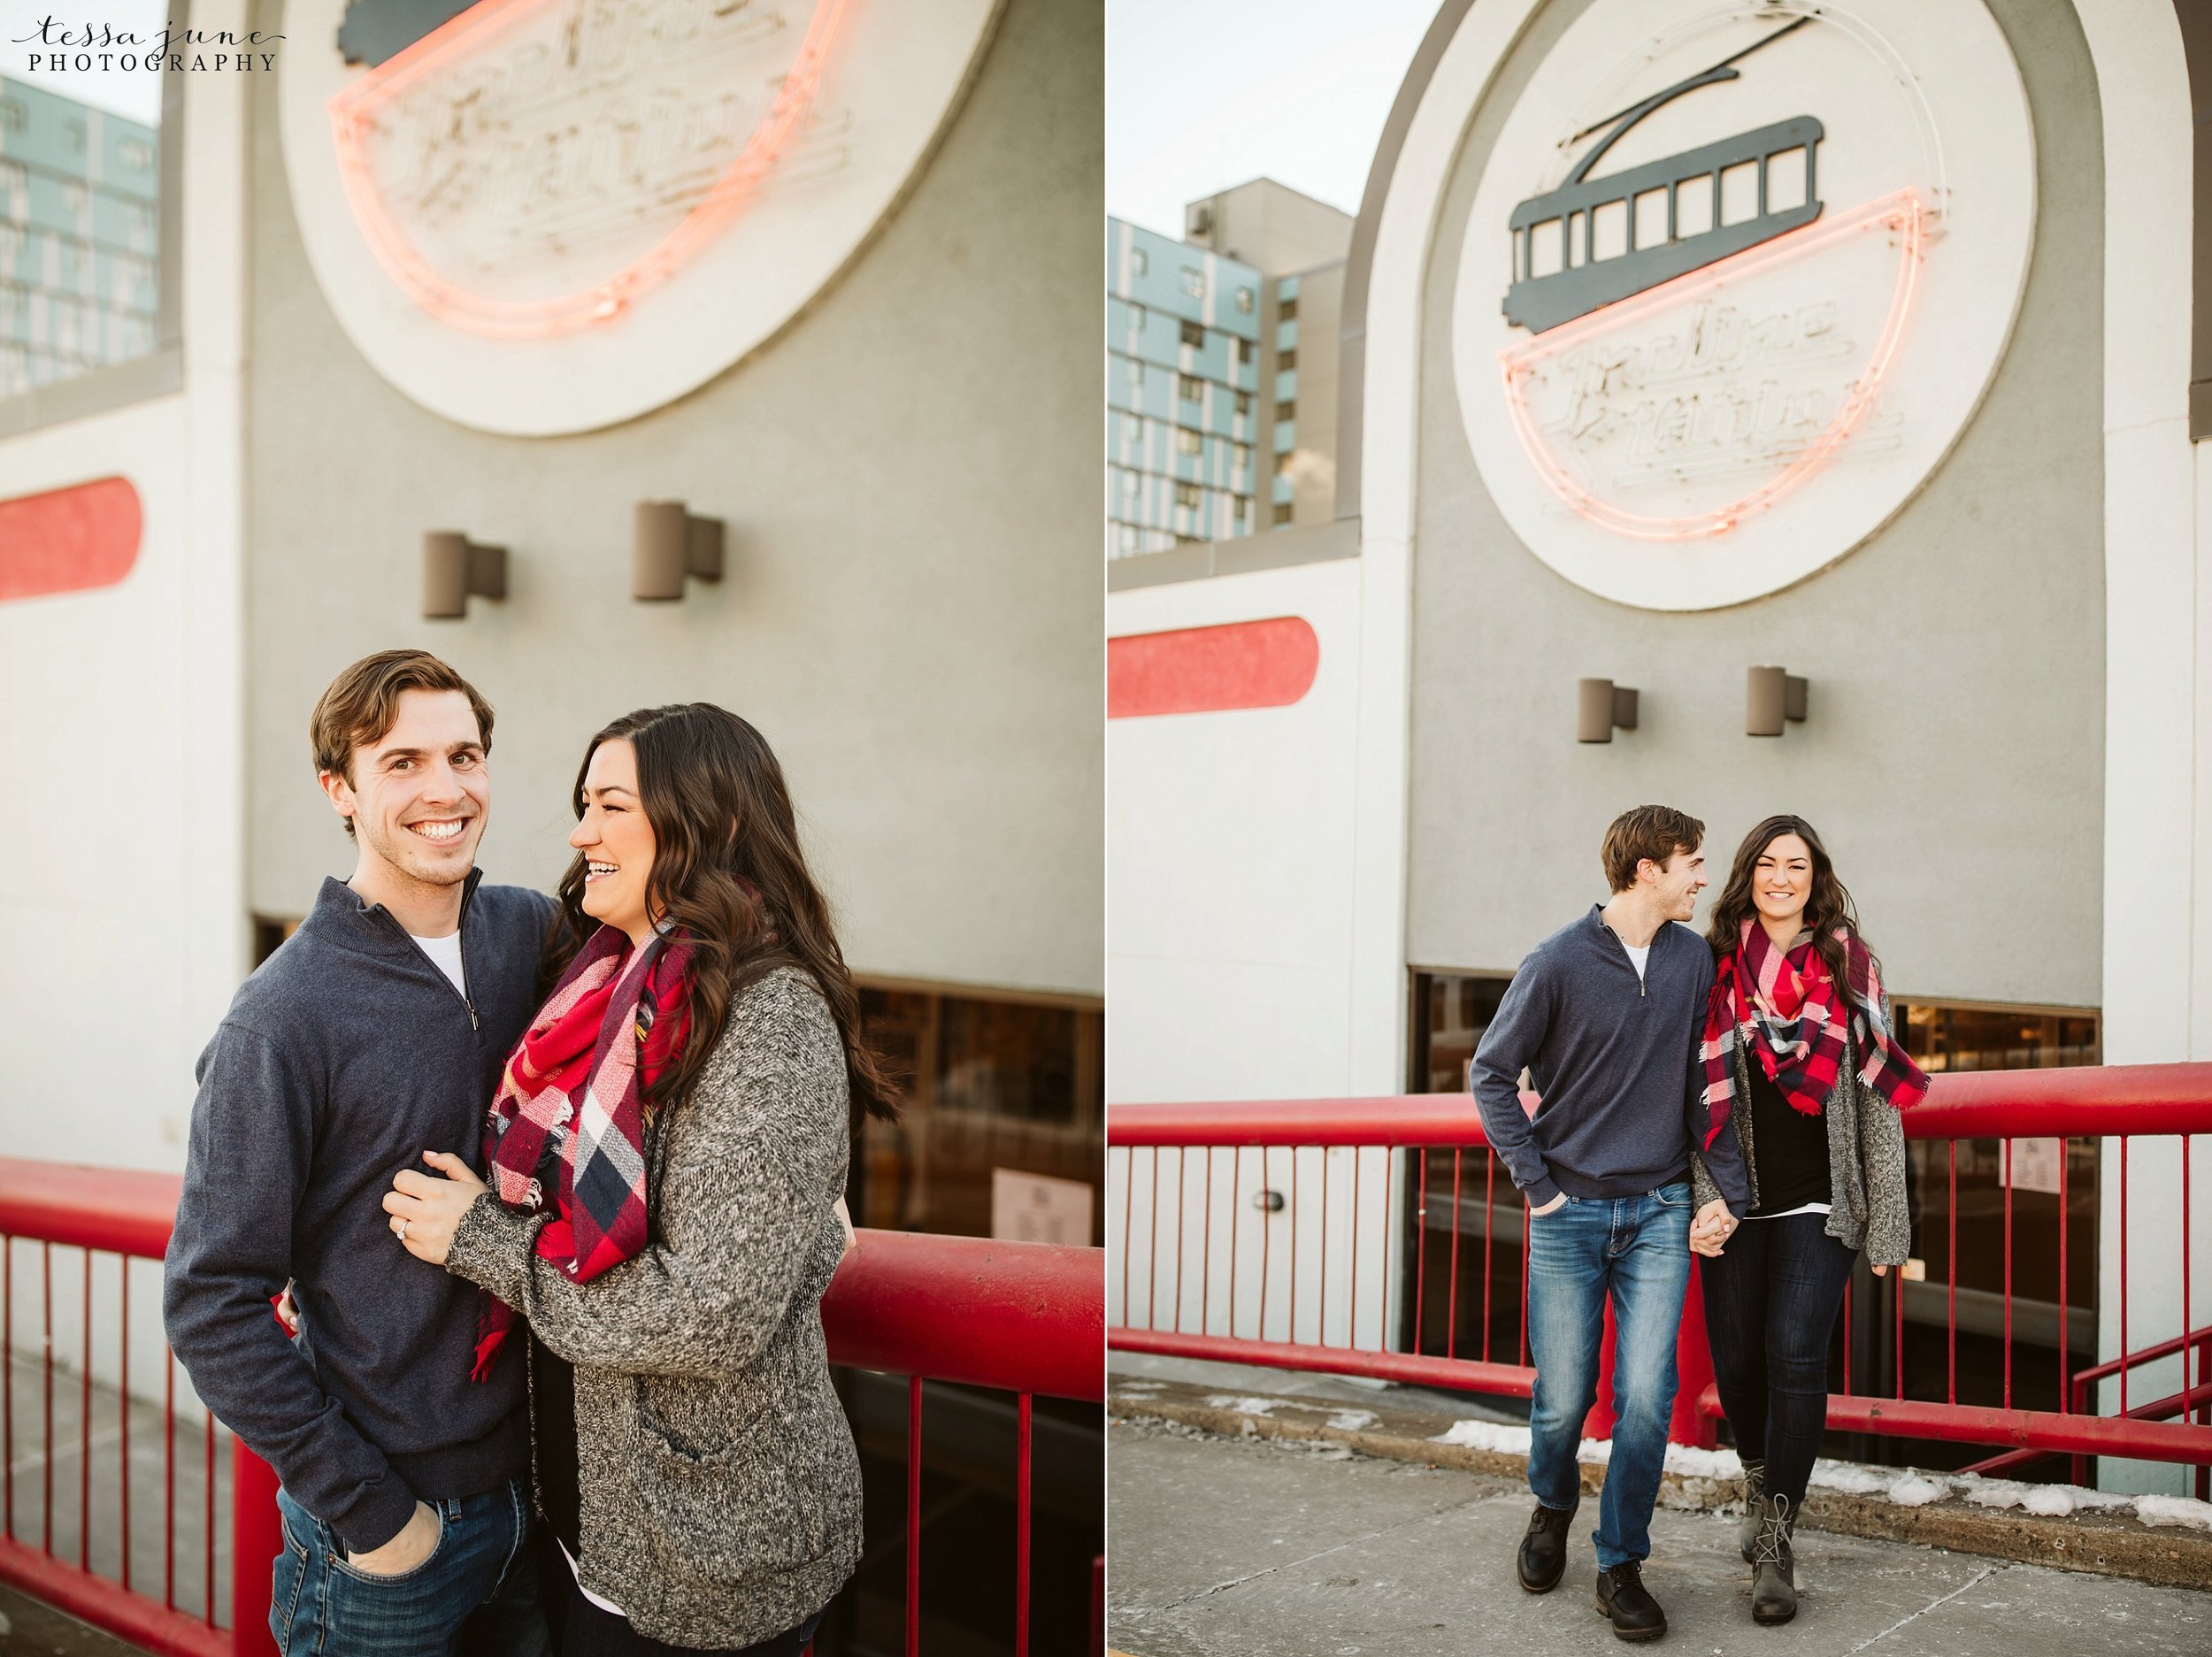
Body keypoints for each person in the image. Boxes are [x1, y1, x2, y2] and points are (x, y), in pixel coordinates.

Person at [380, 702, 894, 1656]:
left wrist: (480, 1239)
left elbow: (709, 1314)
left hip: (708, 1558)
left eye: (611, 805)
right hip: (593, 1532)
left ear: (709, 823)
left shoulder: (766, 1018)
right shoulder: (601, 982)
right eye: (584, 803)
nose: (581, 833)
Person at [164, 650, 556, 1656]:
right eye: (402, 761)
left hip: (544, 1505)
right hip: (390, 1542)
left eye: (464, 754)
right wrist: (376, 1518)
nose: (445, 788)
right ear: (339, 788)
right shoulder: (282, 1017)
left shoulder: (532, 933)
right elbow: (210, 1299)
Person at [1471, 804, 1748, 1644]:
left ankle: (1621, 1561)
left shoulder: (1693, 960)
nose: (1703, 876)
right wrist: (1540, 1188)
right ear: (1647, 869)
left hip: (1661, 1209)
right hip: (1569, 1215)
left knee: (1645, 1398)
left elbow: (1713, 1085)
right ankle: (1551, 1505)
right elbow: (1492, 1075)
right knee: (1562, 1399)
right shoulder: (1556, 962)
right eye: (1692, 862)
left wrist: (1719, 1191)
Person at [1687, 815, 1924, 1625]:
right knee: (1740, 1364)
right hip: (1735, 1196)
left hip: (1825, 1197)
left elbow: (1879, 1101)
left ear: (1816, 875)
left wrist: (1890, 1221)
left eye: (1796, 864)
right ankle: (1757, 1477)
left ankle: (1779, 1536)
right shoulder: (1711, 966)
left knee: (1795, 1357)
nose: (1781, 876)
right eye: (1766, 863)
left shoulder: (1851, 966)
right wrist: (1702, 1197)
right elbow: (1689, 1097)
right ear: (1747, 874)